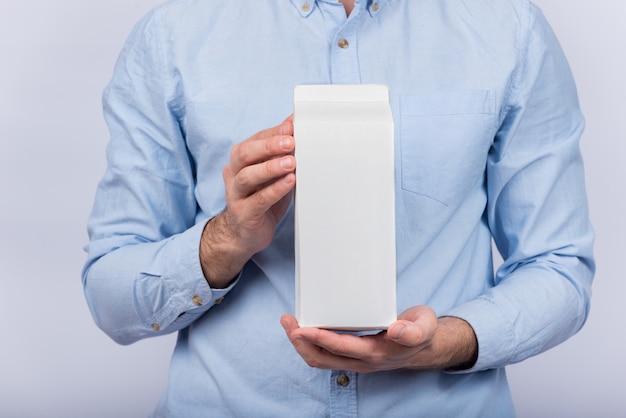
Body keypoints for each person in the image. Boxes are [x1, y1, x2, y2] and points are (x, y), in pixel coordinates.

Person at [82, 0, 595, 416]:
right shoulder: (172, 36)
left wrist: (443, 342)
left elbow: (559, 268)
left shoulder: (507, 27)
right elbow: (110, 295)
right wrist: (225, 241)